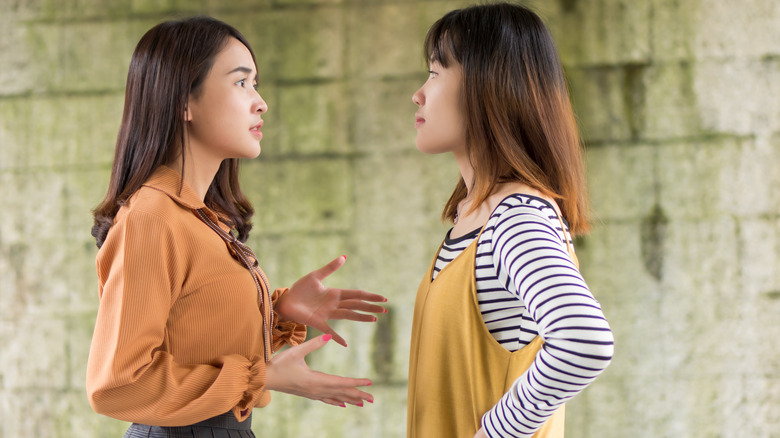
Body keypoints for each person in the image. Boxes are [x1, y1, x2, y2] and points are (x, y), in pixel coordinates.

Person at [86, 16, 387, 437]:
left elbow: (196, 339)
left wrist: (280, 311)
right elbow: (118, 386)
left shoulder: (200, 218)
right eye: (241, 83)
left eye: (255, 84)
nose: (260, 101)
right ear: (183, 102)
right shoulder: (152, 218)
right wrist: (260, 377)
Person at [407, 3, 615, 438]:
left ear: (488, 87)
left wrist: (496, 432)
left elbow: (585, 341)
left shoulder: (516, 217)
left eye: (435, 73)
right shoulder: (476, 217)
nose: (419, 94)